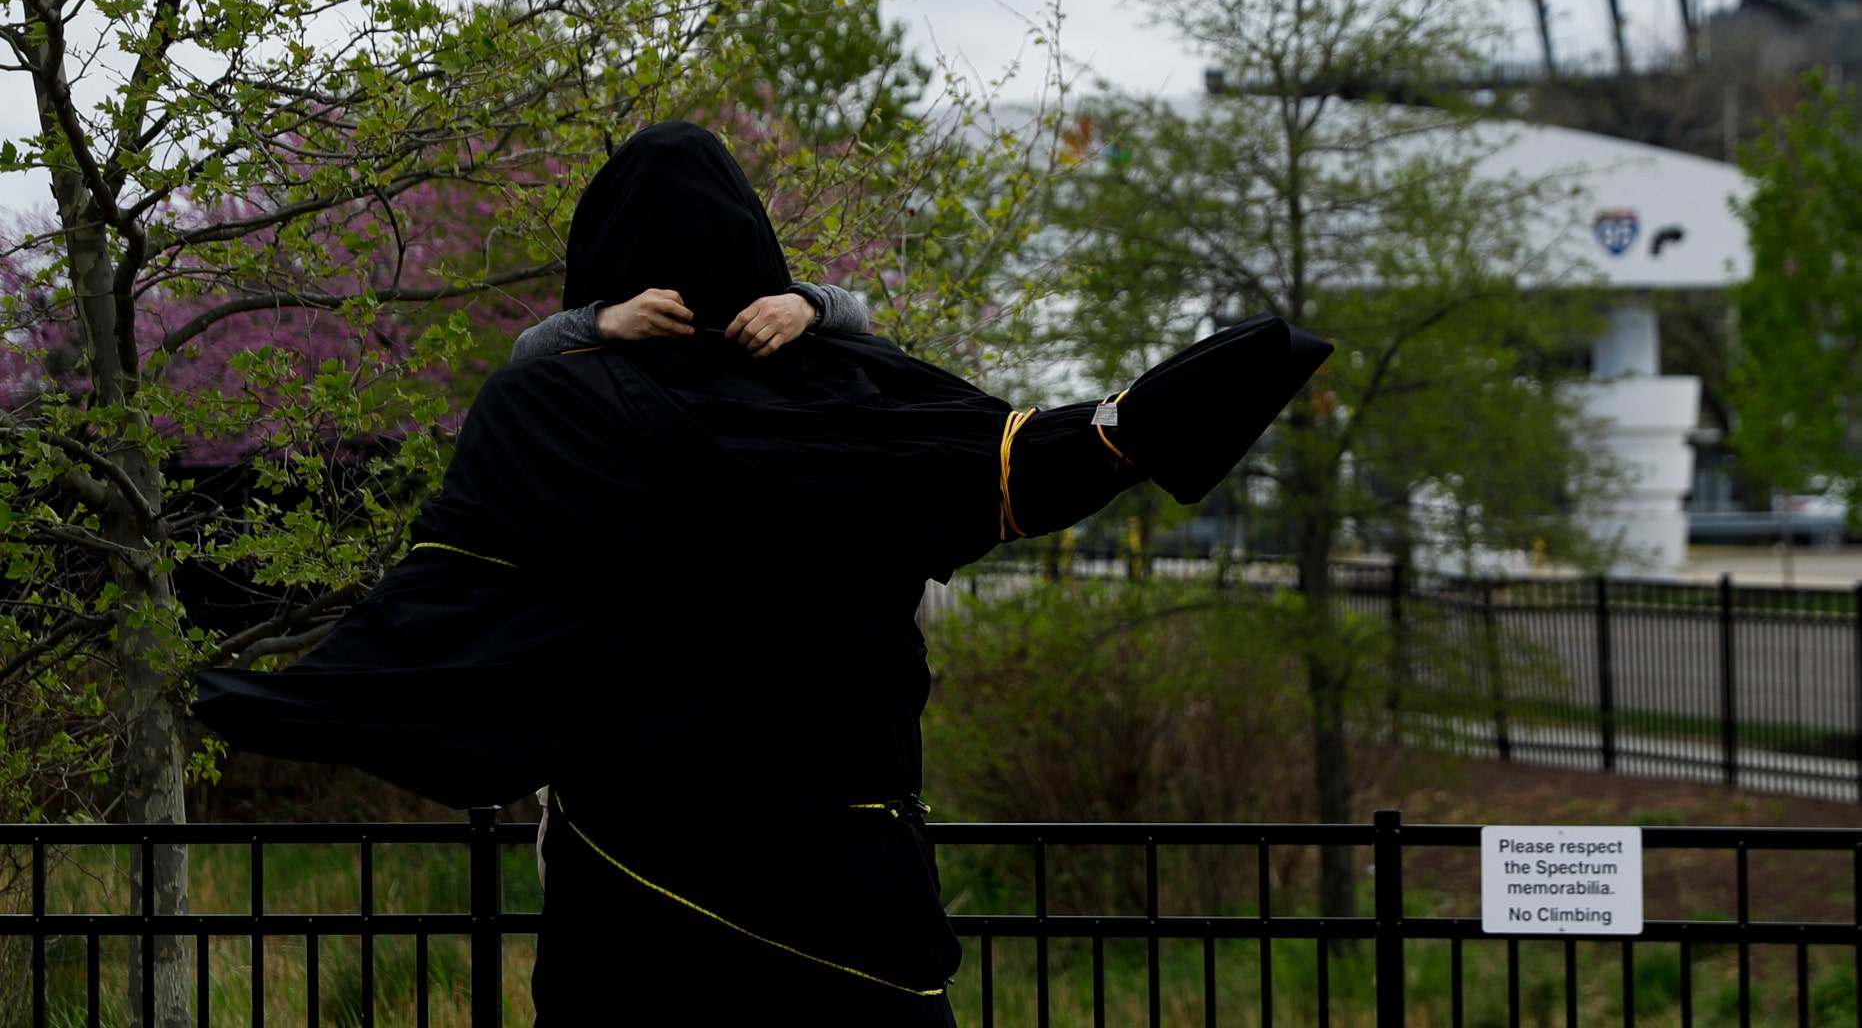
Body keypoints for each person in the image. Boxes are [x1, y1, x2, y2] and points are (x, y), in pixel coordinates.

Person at [194, 121, 1331, 1024]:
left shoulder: (557, 406)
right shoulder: (845, 392)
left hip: (636, 865)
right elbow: (1015, 458)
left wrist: (286, 694)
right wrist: (1138, 424)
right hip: (844, 865)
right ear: (758, 245)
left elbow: (455, 575)